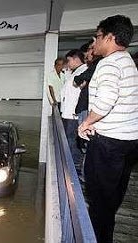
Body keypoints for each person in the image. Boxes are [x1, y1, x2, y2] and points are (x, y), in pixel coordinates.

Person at [78, 15, 138, 243]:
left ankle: (97, 238)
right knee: (112, 196)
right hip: (129, 141)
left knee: (99, 198)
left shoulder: (109, 64)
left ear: (110, 37)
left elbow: (105, 102)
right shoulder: (127, 60)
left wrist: (87, 122)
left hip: (110, 143)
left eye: (98, 36)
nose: (95, 41)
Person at [61, 49, 87, 175]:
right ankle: (72, 166)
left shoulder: (83, 72)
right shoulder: (76, 72)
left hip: (73, 115)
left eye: (69, 60)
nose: (68, 63)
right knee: (69, 141)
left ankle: (75, 168)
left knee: (72, 142)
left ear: (76, 59)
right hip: (69, 113)